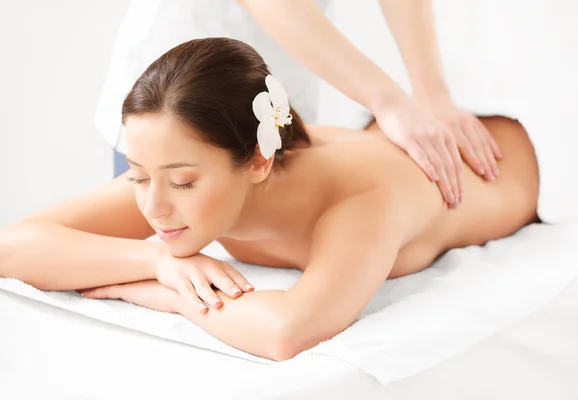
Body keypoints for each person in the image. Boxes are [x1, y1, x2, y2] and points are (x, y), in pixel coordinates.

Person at [0, 38, 538, 362]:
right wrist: (154, 260)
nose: (153, 208)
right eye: (138, 177)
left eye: (183, 182)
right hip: (385, 136)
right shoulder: (188, 175)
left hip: (523, 154)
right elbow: (11, 246)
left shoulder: (360, 200)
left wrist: (156, 294)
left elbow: (289, 332)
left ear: (258, 159)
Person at [98, 0, 501, 209]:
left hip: (274, 97)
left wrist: (431, 94)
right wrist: (388, 100)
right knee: (164, 243)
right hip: (175, 93)